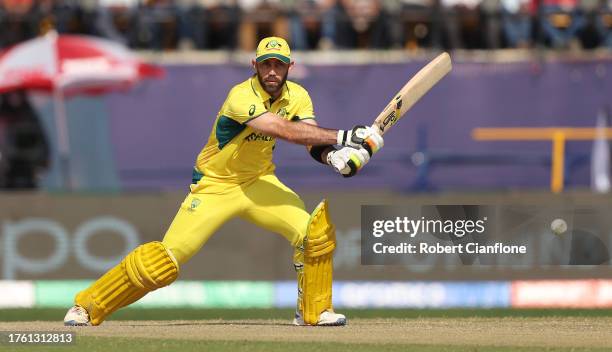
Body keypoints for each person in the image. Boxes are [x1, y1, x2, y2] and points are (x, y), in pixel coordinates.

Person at [63, 36, 383, 327]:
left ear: (290, 67)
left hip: (259, 181)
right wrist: (345, 136)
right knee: (161, 262)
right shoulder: (241, 96)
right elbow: (281, 130)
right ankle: (87, 306)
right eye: (266, 64)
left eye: (279, 65)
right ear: (254, 65)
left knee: (313, 234)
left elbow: (310, 139)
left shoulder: (297, 96)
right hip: (215, 185)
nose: (272, 71)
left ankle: (315, 312)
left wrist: (334, 157)